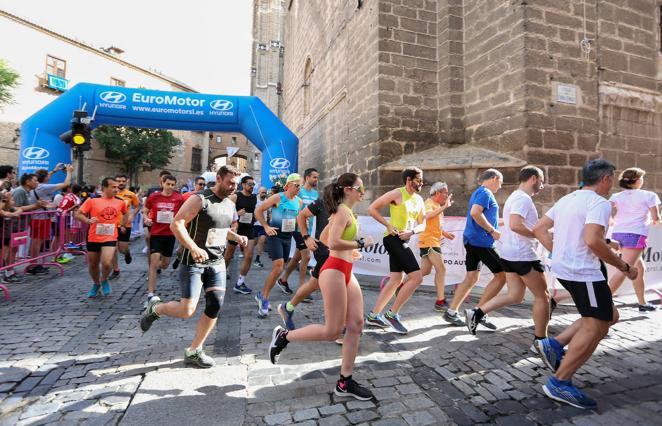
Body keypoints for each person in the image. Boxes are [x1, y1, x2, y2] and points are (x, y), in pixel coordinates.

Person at [532, 159, 638, 409]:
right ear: (605, 179)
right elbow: (592, 240)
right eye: (612, 178)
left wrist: (557, 253)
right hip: (584, 272)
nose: (612, 183)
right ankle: (560, 382)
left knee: (609, 314)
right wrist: (624, 266)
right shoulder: (599, 203)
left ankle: (554, 345)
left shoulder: (568, 198)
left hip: (569, 269)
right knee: (598, 326)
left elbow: (539, 228)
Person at [269, 173, 375, 400]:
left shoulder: (344, 211)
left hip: (345, 269)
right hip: (334, 270)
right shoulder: (342, 210)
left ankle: (345, 382)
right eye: (359, 188)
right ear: (347, 189)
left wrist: (349, 251)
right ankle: (284, 337)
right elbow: (334, 241)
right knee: (332, 331)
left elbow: (327, 238)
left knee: (356, 324)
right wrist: (360, 243)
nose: (362, 192)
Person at [139, 165, 246, 368]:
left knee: (215, 305)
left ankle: (195, 350)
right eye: (230, 182)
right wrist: (194, 247)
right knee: (187, 310)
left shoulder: (230, 203)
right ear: (219, 178)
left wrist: (237, 236)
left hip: (216, 262)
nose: (233, 187)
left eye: (236, 184)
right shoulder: (200, 199)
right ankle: (157, 308)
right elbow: (176, 224)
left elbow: (221, 229)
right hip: (193, 261)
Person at [465, 166, 550, 342]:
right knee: (543, 297)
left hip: (510, 254)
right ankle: (542, 341)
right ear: (533, 178)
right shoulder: (523, 199)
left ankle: (476, 312)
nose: (542, 185)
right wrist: (538, 234)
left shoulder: (515, 196)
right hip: (523, 255)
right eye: (541, 181)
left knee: (515, 296)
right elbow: (515, 225)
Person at [365, 166, 425, 334]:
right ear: (409, 180)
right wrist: (388, 225)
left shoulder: (419, 199)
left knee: (396, 279)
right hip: (392, 239)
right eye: (418, 180)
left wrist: (412, 232)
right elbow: (372, 208)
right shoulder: (397, 193)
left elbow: (423, 224)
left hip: (404, 238)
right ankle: (392, 314)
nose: (421, 183)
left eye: (422, 180)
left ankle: (373, 315)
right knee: (416, 277)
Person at [443, 169, 506, 328]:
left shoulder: (479, 192)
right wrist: (492, 231)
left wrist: (505, 223)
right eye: (500, 182)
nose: (501, 186)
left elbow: (484, 215)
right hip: (482, 242)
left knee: (471, 278)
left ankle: (451, 312)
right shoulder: (486, 193)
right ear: (494, 178)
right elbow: (475, 213)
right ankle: (480, 313)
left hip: (472, 240)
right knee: (502, 275)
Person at [277, 188, 331, 330]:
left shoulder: (344, 207)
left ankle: (287, 306)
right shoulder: (320, 202)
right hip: (323, 249)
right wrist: (306, 236)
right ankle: (336, 324)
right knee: (331, 285)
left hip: (334, 252)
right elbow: (301, 215)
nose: (361, 193)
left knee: (314, 283)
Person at [608, 167, 661, 311]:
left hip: (618, 234)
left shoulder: (616, 196)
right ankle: (601, 303)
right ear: (637, 180)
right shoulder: (649, 195)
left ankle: (642, 303)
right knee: (624, 269)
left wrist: (611, 220)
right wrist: (655, 221)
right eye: (642, 178)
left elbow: (604, 209)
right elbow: (656, 219)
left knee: (639, 269)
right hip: (636, 235)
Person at [254, 174, 303, 318]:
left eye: (300, 185)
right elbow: (258, 211)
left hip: (288, 237)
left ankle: (261, 294)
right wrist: (266, 226)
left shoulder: (299, 202)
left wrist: (300, 224)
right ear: (287, 185)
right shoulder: (278, 197)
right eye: (296, 185)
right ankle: (264, 299)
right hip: (275, 235)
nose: (299, 188)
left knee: (281, 266)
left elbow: (296, 218)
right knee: (278, 266)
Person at [75, 177, 128, 297]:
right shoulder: (92, 200)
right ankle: (96, 283)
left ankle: (104, 279)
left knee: (107, 263)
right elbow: (78, 214)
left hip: (110, 236)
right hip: (94, 236)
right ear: (104, 188)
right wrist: (88, 220)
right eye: (113, 187)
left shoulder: (120, 202)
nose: (116, 189)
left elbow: (126, 213)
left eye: (116, 187)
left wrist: (122, 225)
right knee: (93, 264)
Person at [142, 175, 184, 304]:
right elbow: (145, 210)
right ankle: (150, 294)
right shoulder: (154, 197)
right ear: (162, 184)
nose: (170, 187)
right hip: (156, 234)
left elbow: (184, 212)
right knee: (154, 264)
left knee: (165, 265)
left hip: (170, 235)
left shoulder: (178, 198)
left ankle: (161, 265)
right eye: (168, 184)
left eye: (173, 185)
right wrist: (146, 218)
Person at [277, 168, 319, 294]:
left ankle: (283, 280)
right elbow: (291, 204)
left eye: (317, 177)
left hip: (309, 229)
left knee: (296, 258)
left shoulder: (316, 194)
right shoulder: (299, 191)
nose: (317, 180)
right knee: (306, 256)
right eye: (314, 177)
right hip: (297, 228)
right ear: (307, 178)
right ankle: (302, 289)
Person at [30, 164, 74, 273]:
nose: (49, 177)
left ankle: (34, 263)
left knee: (37, 241)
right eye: (48, 176)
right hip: (40, 218)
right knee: (37, 241)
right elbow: (66, 184)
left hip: (38, 217)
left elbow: (45, 176)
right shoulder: (43, 187)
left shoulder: (39, 186)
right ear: (45, 178)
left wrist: (54, 170)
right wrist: (69, 171)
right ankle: (33, 265)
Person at [418, 182, 455, 312]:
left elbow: (436, 225)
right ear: (438, 192)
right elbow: (427, 217)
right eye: (445, 192)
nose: (446, 195)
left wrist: (445, 234)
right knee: (442, 269)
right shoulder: (428, 203)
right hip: (429, 241)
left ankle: (399, 285)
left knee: (425, 271)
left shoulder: (437, 206)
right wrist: (445, 206)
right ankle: (440, 301)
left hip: (431, 241)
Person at [224, 175, 258, 295]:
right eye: (250, 184)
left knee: (249, 256)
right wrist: (237, 214)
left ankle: (240, 283)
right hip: (236, 229)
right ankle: (219, 278)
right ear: (243, 184)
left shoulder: (254, 198)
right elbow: (225, 214)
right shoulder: (235, 197)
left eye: (253, 185)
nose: (252, 186)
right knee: (228, 255)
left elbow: (255, 211)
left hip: (249, 229)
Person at [11, 174, 49, 274]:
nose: (37, 183)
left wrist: (37, 205)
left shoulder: (27, 192)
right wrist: (35, 206)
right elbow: (15, 208)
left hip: (21, 224)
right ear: (28, 182)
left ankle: (10, 271)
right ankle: (8, 272)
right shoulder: (20, 191)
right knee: (12, 249)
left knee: (14, 249)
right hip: (15, 224)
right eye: (35, 181)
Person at [110, 174, 139, 279]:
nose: (121, 183)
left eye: (123, 181)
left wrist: (132, 215)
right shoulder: (111, 194)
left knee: (122, 249)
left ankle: (127, 253)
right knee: (112, 248)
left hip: (125, 225)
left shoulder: (131, 195)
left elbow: (136, 207)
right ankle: (116, 269)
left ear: (127, 181)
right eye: (118, 181)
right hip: (112, 225)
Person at [252, 186, 269, 268]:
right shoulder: (254, 200)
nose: (264, 194)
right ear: (259, 192)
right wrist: (252, 218)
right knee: (254, 242)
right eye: (262, 192)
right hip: (255, 224)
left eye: (265, 192)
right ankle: (247, 253)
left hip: (263, 224)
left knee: (262, 240)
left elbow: (269, 211)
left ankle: (257, 259)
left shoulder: (267, 201)